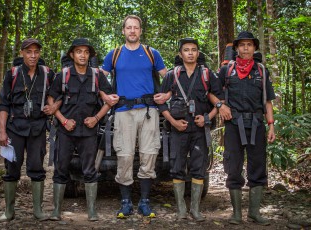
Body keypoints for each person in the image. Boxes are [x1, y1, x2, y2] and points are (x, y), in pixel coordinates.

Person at [101, 15, 168, 218]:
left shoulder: (151, 53)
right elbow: (97, 79)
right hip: (123, 112)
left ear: (140, 31)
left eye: (136, 28)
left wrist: (167, 94)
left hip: (149, 111)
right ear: (123, 31)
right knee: (125, 156)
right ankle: (126, 202)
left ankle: (145, 202)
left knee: (149, 155)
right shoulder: (114, 54)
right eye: (128, 28)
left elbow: (170, 77)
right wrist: (105, 96)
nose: (132, 31)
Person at [48, 38, 115, 221]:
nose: (82, 55)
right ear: (72, 55)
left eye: (86, 52)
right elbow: (51, 100)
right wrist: (62, 120)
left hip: (88, 131)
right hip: (66, 131)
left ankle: (92, 211)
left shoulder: (97, 75)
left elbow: (109, 101)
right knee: (61, 169)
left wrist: (96, 118)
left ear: (90, 55)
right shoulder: (63, 75)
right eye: (79, 52)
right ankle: (56, 211)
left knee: (90, 170)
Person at [214, 31, 276, 225]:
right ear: (237, 48)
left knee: (257, 166)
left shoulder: (261, 71)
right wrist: (220, 106)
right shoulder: (227, 70)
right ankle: (237, 214)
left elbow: (267, 101)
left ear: (254, 48)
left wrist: (271, 125)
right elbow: (213, 94)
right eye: (242, 45)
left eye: (249, 45)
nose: (246, 48)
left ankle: (254, 213)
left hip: (257, 124)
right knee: (233, 166)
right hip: (234, 124)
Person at [159, 38, 224, 221]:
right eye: (186, 50)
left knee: (199, 167)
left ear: (198, 53)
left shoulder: (207, 74)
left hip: (200, 129)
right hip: (178, 129)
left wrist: (207, 118)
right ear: (180, 54)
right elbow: (162, 104)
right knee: (177, 167)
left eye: (193, 50)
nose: (190, 53)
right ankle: (181, 209)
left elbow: (219, 101)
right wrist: (173, 122)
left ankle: (195, 209)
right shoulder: (172, 75)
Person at [0, 38, 56, 222]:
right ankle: (9, 210)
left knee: (36, 167)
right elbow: (3, 104)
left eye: (36, 52)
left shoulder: (47, 74)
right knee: (11, 168)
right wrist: (2, 131)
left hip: (37, 128)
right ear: (22, 53)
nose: (32, 55)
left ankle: (38, 210)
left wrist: (52, 107)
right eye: (28, 52)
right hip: (14, 128)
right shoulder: (12, 74)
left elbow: (58, 95)